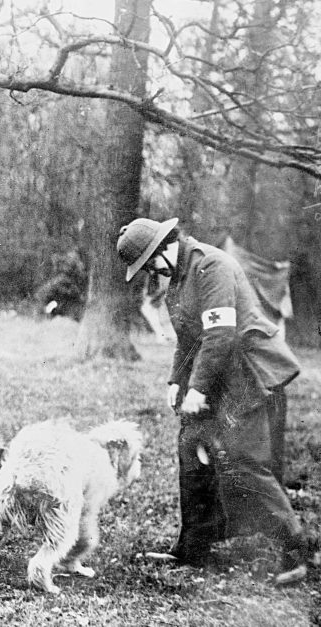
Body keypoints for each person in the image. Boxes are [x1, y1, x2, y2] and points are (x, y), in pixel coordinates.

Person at [117, 217, 314, 586]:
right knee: (190, 448)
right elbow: (188, 339)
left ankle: (297, 553)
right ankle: (193, 547)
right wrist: (177, 381)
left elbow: (221, 335)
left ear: (163, 249)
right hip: (219, 375)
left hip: (249, 375)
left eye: (148, 264)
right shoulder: (176, 279)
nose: (149, 273)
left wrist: (198, 389)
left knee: (246, 462)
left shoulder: (212, 266)